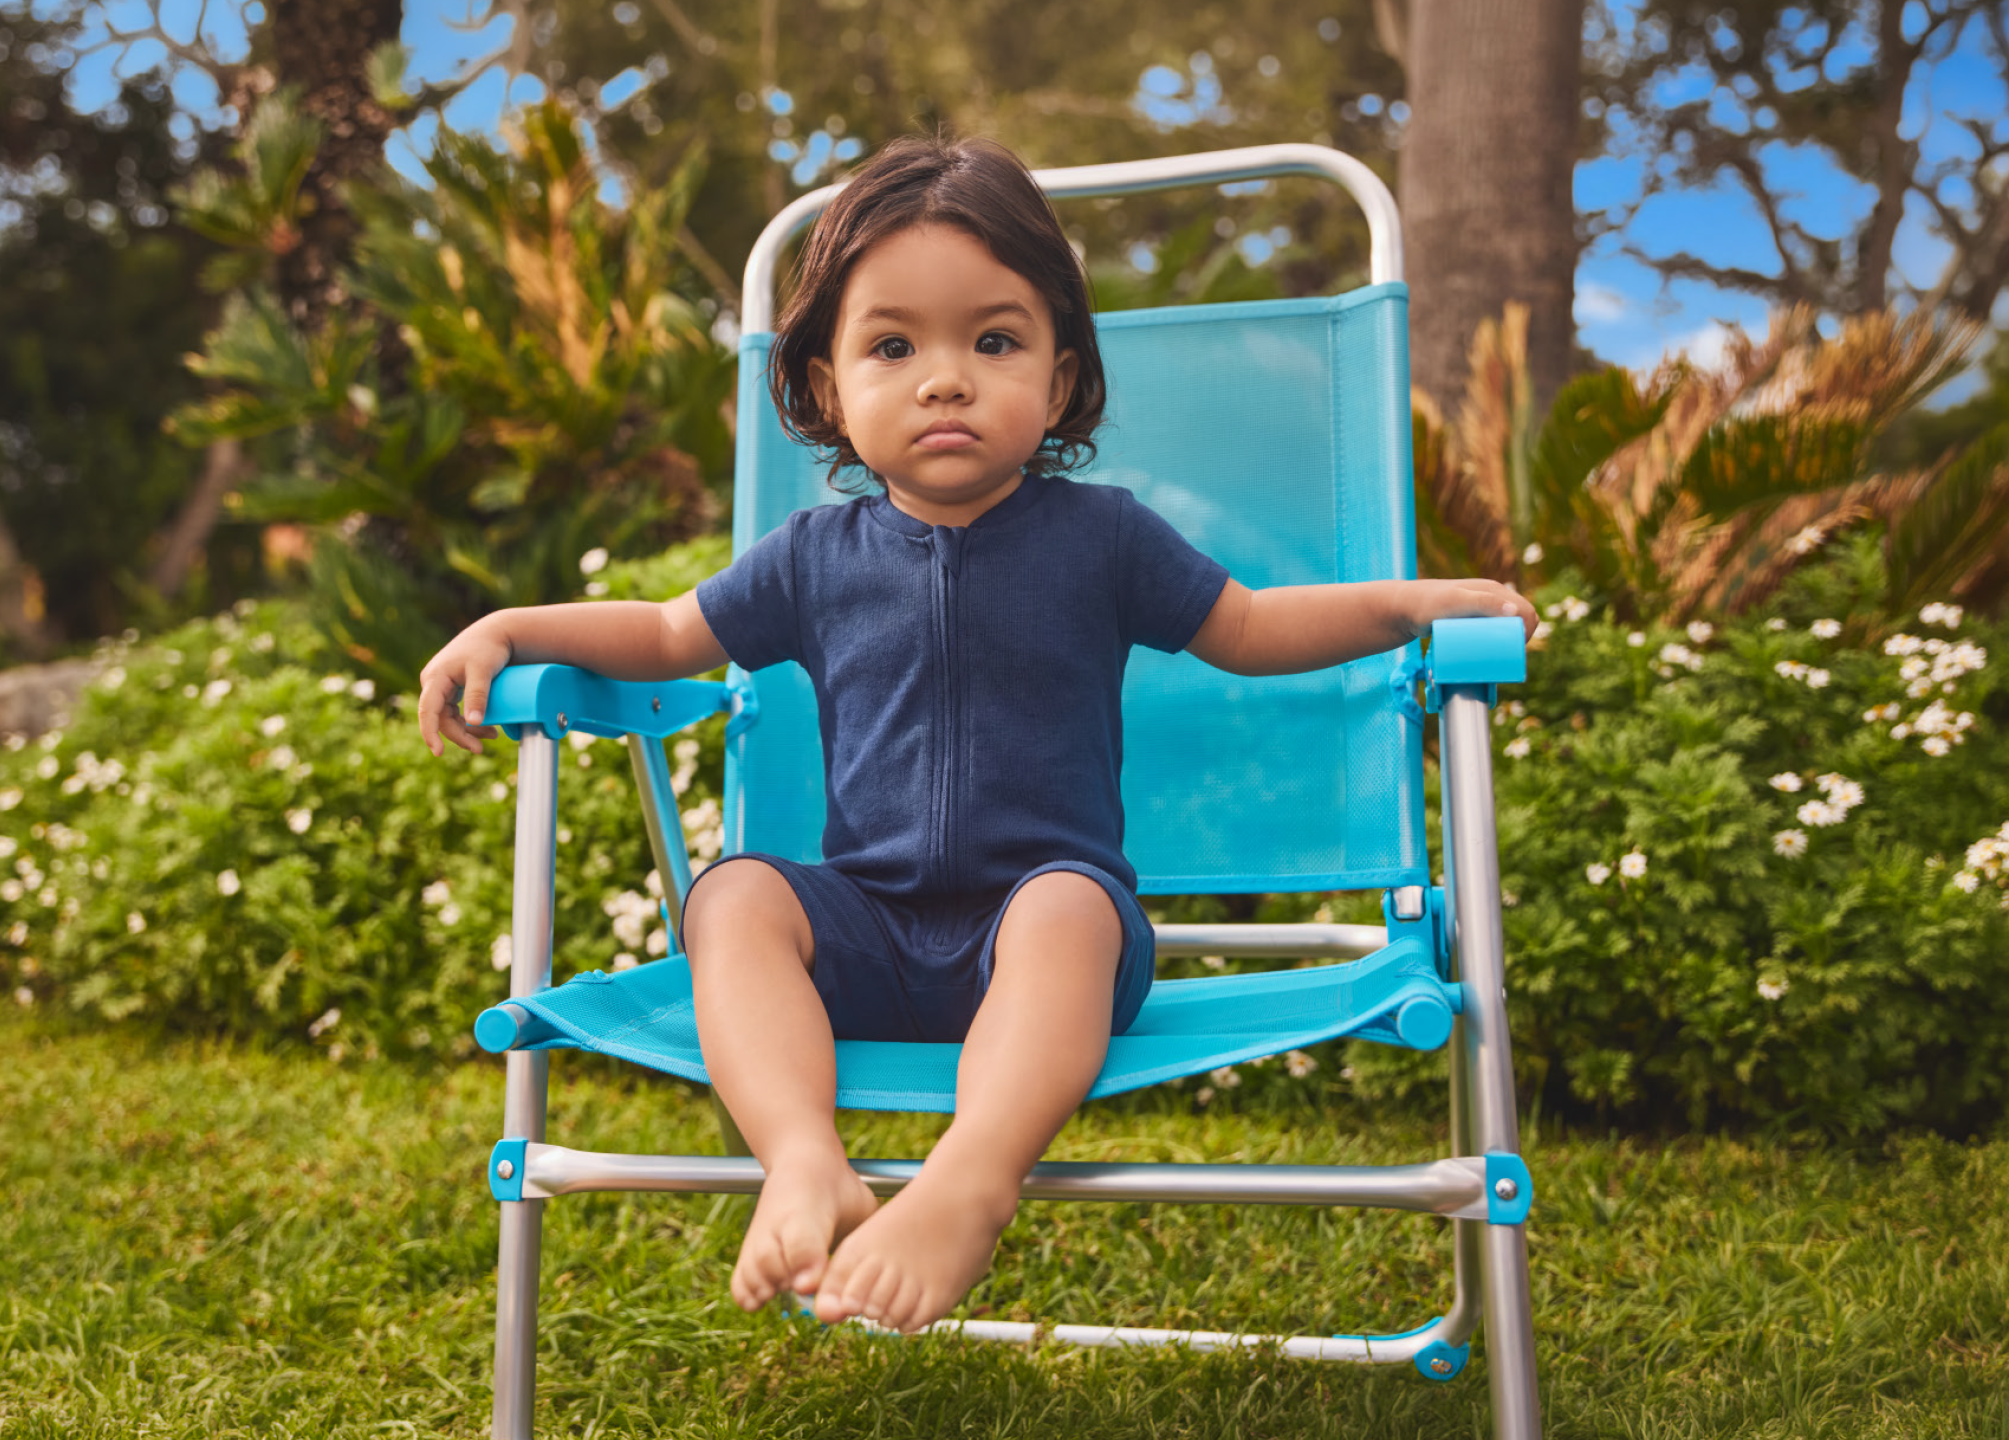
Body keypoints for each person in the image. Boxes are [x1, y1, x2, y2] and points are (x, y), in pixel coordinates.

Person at [418, 133, 1536, 1339]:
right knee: (732, 898)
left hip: (1050, 944)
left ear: (1057, 383)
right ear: (828, 388)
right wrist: (508, 625)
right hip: (871, 931)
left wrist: (1415, 604)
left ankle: (969, 1182)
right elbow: (662, 629)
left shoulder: (1102, 537)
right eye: (892, 347)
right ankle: (803, 1158)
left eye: (993, 341)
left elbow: (1253, 626)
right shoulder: (811, 560)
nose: (944, 379)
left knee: (1068, 905)